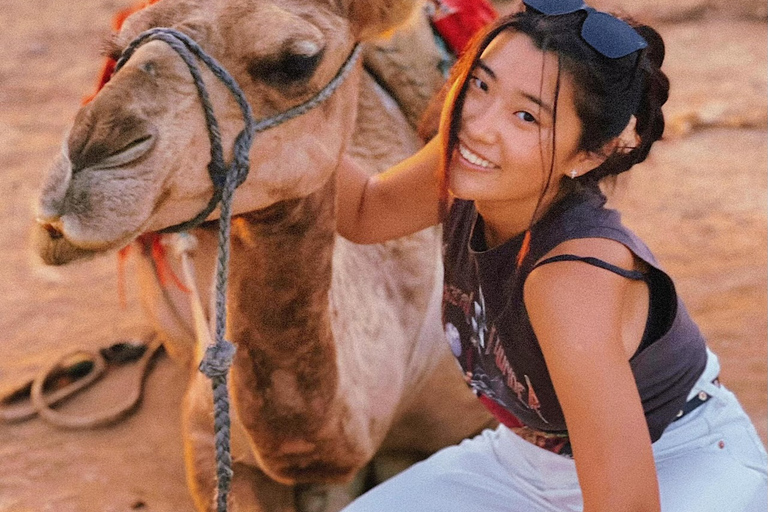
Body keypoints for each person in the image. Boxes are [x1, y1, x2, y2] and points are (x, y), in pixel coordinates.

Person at [335, 1, 768, 511]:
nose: (478, 125)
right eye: (480, 84)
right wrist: (262, 111)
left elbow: (625, 504)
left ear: (588, 155)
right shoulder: (470, 171)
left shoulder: (571, 278)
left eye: (526, 116)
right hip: (524, 457)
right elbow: (365, 210)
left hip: (675, 459)